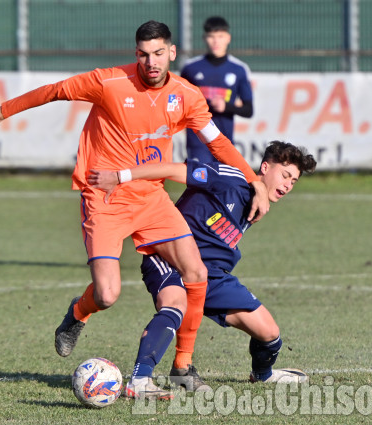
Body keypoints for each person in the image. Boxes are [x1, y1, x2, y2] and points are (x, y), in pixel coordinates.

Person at [0, 21, 270, 398]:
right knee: (107, 294)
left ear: (171, 53)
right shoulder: (109, 82)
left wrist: (253, 180)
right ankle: (78, 313)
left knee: (196, 273)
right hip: (105, 198)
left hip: (151, 199)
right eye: (143, 54)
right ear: (135, 53)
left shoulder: (186, 96)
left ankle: (182, 366)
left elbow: (217, 142)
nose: (150, 62)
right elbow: (54, 91)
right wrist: (0, 112)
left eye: (158, 54)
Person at [88, 141, 316, 398]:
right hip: (170, 256)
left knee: (270, 335)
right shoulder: (229, 177)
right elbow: (173, 170)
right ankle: (140, 380)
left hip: (213, 275)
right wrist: (120, 176)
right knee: (174, 306)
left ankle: (263, 375)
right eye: (285, 175)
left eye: (293, 182)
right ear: (265, 167)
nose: (287, 185)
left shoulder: (259, 203)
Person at [181, 16, 254, 163]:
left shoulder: (239, 69)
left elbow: (248, 110)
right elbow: (180, 103)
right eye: (211, 36)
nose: (216, 41)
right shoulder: (190, 68)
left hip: (224, 141)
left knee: (223, 185)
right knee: (200, 184)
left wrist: (226, 106)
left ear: (228, 38)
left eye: (220, 36)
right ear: (204, 38)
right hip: (197, 141)